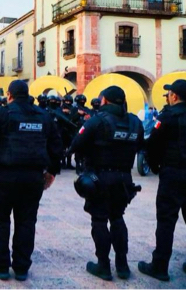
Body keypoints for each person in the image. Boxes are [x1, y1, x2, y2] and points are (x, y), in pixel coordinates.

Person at [0, 80, 63, 281]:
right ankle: (21, 267)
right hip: (33, 177)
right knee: (26, 221)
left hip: (4, 177)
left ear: (9, 95)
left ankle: (0, 265)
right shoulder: (43, 116)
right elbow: (56, 145)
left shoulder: (0, 113)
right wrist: (52, 171)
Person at [68, 86, 143, 281]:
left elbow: (76, 144)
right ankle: (123, 265)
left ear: (104, 101)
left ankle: (103, 265)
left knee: (100, 220)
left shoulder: (97, 120)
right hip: (124, 179)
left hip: (100, 178)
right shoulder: (135, 121)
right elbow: (140, 146)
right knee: (117, 218)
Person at [139, 79, 186, 281]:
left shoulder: (169, 116)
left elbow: (153, 144)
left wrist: (155, 166)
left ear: (174, 96)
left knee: (166, 221)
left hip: (173, 174)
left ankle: (160, 266)